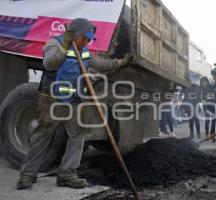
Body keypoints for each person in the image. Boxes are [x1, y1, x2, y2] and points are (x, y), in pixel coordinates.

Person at [17, 18, 132, 190]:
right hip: (52, 99)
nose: (87, 42)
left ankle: (67, 174)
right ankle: (27, 175)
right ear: (75, 35)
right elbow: (49, 64)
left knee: (79, 134)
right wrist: (65, 46)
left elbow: (100, 64)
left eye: (89, 39)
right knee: (42, 135)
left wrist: (119, 63)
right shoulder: (54, 44)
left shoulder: (84, 50)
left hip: (74, 99)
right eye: (84, 38)